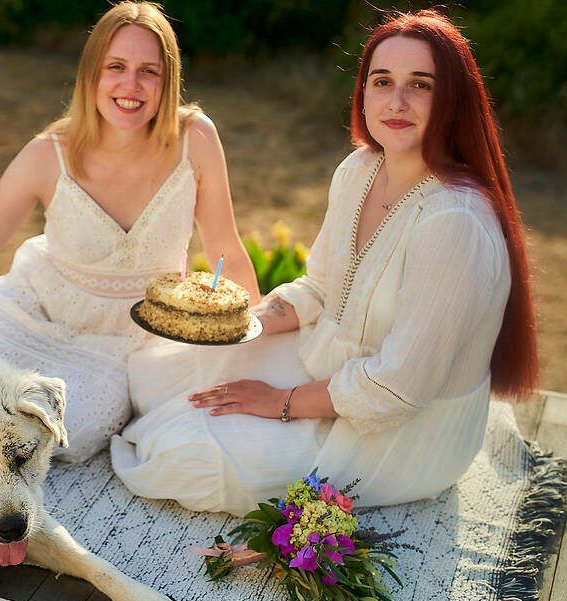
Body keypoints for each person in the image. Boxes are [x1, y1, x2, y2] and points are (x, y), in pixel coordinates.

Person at [111, 9, 539, 513]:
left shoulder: (454, 221)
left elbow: (397, 388)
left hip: (403, 430)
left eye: (420, 85)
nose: (396, 102)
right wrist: (245, 324)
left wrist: (280, 403)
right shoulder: (359, 170)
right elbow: (318, 288)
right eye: (383, 81)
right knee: (154, 372)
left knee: (182, 458)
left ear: (451, 99)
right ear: (364, 91)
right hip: (331, 362)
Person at [0, 1, 260, 462]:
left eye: (149, 71)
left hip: (123, 340)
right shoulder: (48, 155)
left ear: (169, 81)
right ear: (91, 74)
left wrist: (262, 345)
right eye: (116, 67)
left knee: (65, 432)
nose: (131, 85)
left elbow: (227, 247)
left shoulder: (196, 140)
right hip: (34, 314)